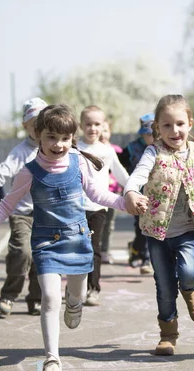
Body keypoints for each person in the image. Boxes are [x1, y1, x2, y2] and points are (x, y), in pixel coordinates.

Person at [0, 104, 144, 371]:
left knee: (78, 295)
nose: (58, 144)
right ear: (38, 135)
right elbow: (5, 205)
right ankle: (52, 358)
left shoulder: (79, 161)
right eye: (51, 137)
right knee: (50, 297)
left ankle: (75, 303)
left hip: (77, 240)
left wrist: (126, 204)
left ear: (71, 137)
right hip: (46, 243)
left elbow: (98, 194)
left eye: (64, 138)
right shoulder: (29, 171)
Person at [123, 94, 194, 356]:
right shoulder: (153, 153)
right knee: (163, 286)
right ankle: (168, 335)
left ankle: (191, 289)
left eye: (180, 124)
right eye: (167, 125)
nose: (175, 131)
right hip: (157, 231)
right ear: (158, 129)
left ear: (190, 124)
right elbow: (137, 176)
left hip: (189, 229)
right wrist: (130, 192)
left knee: (188, 271)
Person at [0, 97, 47, 317]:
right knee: (22, 253)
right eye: (34, 123)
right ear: (25, 126)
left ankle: (36, 299)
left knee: (42, 258)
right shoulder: (20, 152)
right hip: (22, 214)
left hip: (47, 215)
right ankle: (9, 295)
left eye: (43, 122)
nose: (39, 128)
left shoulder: (55, 147)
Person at [78, 105, 129, 306]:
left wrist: (136, 189)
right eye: (88, 124)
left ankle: (93, 289)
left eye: (97, 124)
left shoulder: (106, 151)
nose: (92, 128)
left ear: (103, 125)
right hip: (75, 207)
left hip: (98, 208)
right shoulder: (74, 148)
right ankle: (74, 287)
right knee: (74, 248)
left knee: (93, 248)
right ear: (81, 125)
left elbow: (121, 174)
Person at [118, 112, 155, 274]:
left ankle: (146, 258)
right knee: (140, 228)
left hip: (156, 194)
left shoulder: (162, 147)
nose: (150, 137)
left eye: (153, 133)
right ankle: (136, 250)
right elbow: (119, 167)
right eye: (147, 134)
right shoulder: (131, 149)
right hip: (137, 194)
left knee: (153, 227)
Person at [99, 119, 123, 265]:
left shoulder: (116, 151)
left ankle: (104, 250)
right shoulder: (89, 150)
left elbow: (121, 171)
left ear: (110, 132)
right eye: (100, 130)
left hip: (112, 193)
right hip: (94, 195)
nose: (103, 134)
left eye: (106, 130)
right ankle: (93, 249)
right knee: (95, 222)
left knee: (109, 223)